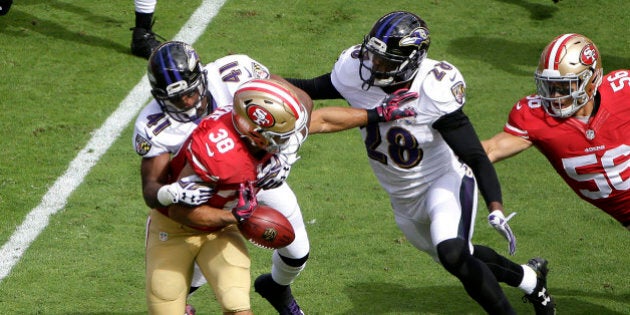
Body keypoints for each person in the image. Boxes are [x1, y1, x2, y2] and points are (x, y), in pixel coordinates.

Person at [287, 11, 556, 314]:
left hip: (443, 180)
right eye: (374, 56)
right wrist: (255, 83)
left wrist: (495, 205)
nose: (374, 66)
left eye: (385, 61)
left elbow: (474, 154)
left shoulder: (434, 87)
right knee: (461, 257)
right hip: (401, 198)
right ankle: (532, 280)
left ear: (412, 59)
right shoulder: (356, 71)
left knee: (453, 252)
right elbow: (309, 87)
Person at [133, 41, 314, 314]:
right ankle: (179, 302)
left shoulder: (233, 75)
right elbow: (151, 189)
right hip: (210, 196)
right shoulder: (155, 124)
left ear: (201, 77)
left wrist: (286, 152)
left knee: (297, 250)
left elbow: (301, 101)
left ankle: (277, 289)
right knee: (198, 263)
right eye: (174, 98)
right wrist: (172, 193)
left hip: (260, 177)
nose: (186, 102)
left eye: (190, 93)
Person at [482, 33, 630, 231]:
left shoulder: (622, 90)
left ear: (592, 80)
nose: (555, 96)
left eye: (564, 87)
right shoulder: (535, 116)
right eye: (550, 86)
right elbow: (490, 149)